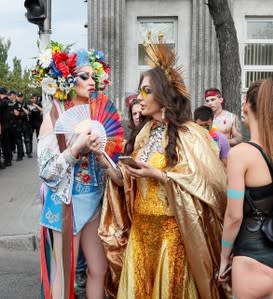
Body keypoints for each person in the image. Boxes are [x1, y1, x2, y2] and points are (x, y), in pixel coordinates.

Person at [97, 37, 228, 298]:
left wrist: (158, 174)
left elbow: (211, 184)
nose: (139, 97)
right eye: (139, 90)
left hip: (173, 237)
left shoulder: (190, 134)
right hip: (141, 234)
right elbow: (128, 181)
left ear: (164, 94)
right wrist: (106, 162)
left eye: (146, 90)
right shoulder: (144, 132)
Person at [37, 45, 117, 299]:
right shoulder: (54, 117)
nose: (91, 81)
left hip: (94, 201)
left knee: (99, 268)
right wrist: (74, 150)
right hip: (65, 204)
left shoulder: (100, 115)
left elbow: (108, 161)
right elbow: (47, 171)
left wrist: (100, 154)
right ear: (68, 80)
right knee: (64, 271)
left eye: (93, 76)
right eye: (84, 76)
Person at [218, 79, 273, 298]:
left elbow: (233, 216)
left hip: (251, 260)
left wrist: (223, 258)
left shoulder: (241, 154)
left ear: (246, 107)